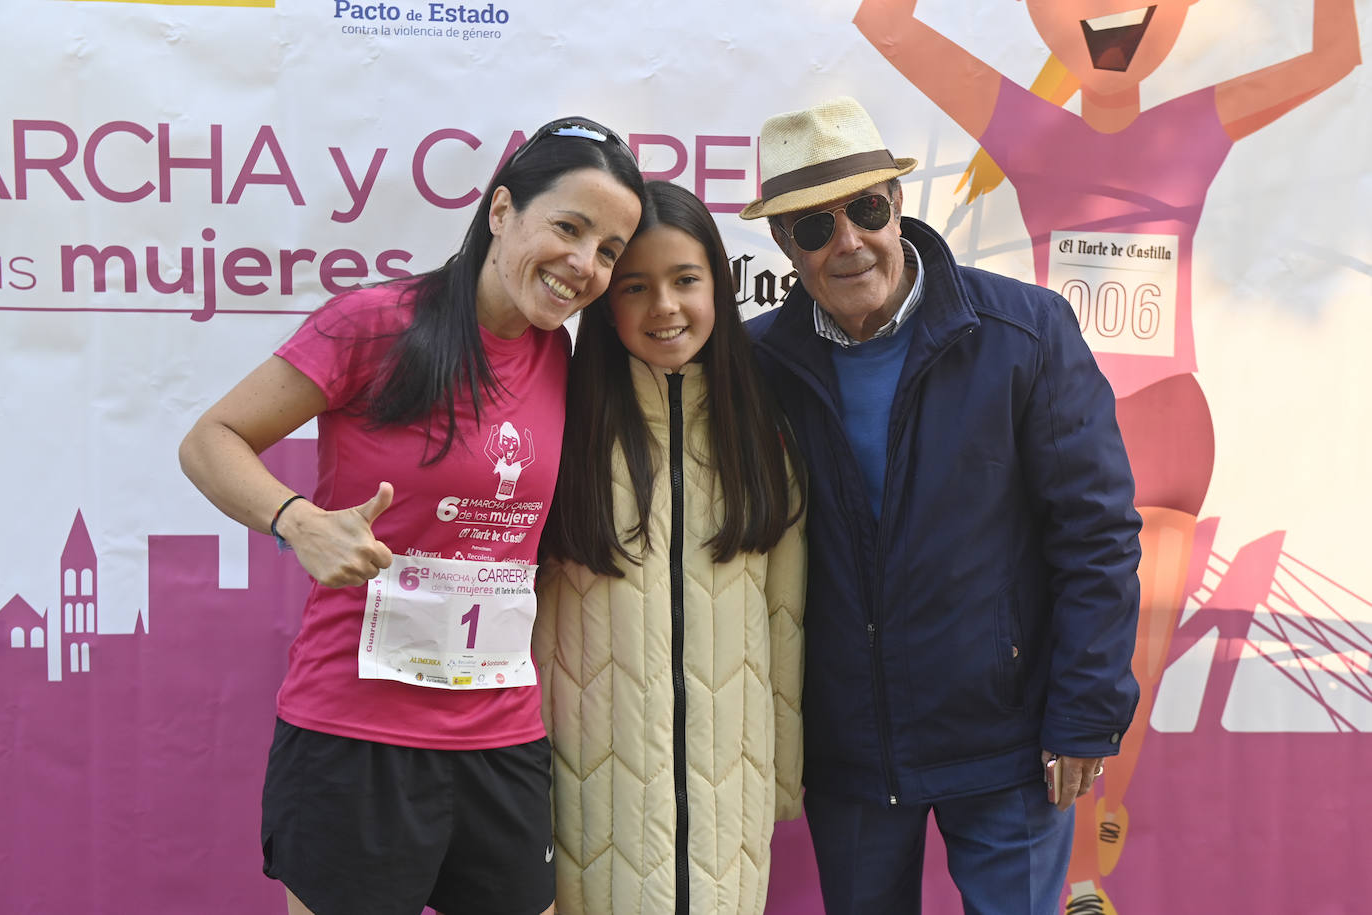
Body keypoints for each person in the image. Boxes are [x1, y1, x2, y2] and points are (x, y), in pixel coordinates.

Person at [852, 4, 1361, 907]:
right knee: (1031, 653)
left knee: (1114, 678)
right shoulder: (1027, 122)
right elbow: (882, 24)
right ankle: (1071, 869)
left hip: (1162, 423)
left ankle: (1085, 876)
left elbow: (1338, 54)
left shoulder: (1190, 121)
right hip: (1040, 429)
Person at [177, 116, 644, 915]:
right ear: (502, 211)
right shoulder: (373, 322)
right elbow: (209, 440)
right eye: (569, 227)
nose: (584, 264)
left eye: (608, 250)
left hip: (502, 734)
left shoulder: (561, 358)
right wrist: (297, 519)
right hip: (356, 736)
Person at [740, 96, 1142, 915]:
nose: (847, 240)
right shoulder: (754, 365)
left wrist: (1084, 713)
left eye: (864, 209)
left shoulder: (1024, 332)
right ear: (784, 244)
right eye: (814, 228)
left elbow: (1097, 535)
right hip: (847, 745)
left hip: (1008, 741)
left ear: (898, 204)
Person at [532, 180, 806, 915]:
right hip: (588, 794)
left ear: (719, 282)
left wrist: (779, 779)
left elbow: (785, 620)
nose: (665, 307)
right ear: (602, 301)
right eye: (634, 287)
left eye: (686, 279)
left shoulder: (761, 436)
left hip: (731, 800)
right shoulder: (564, 431)